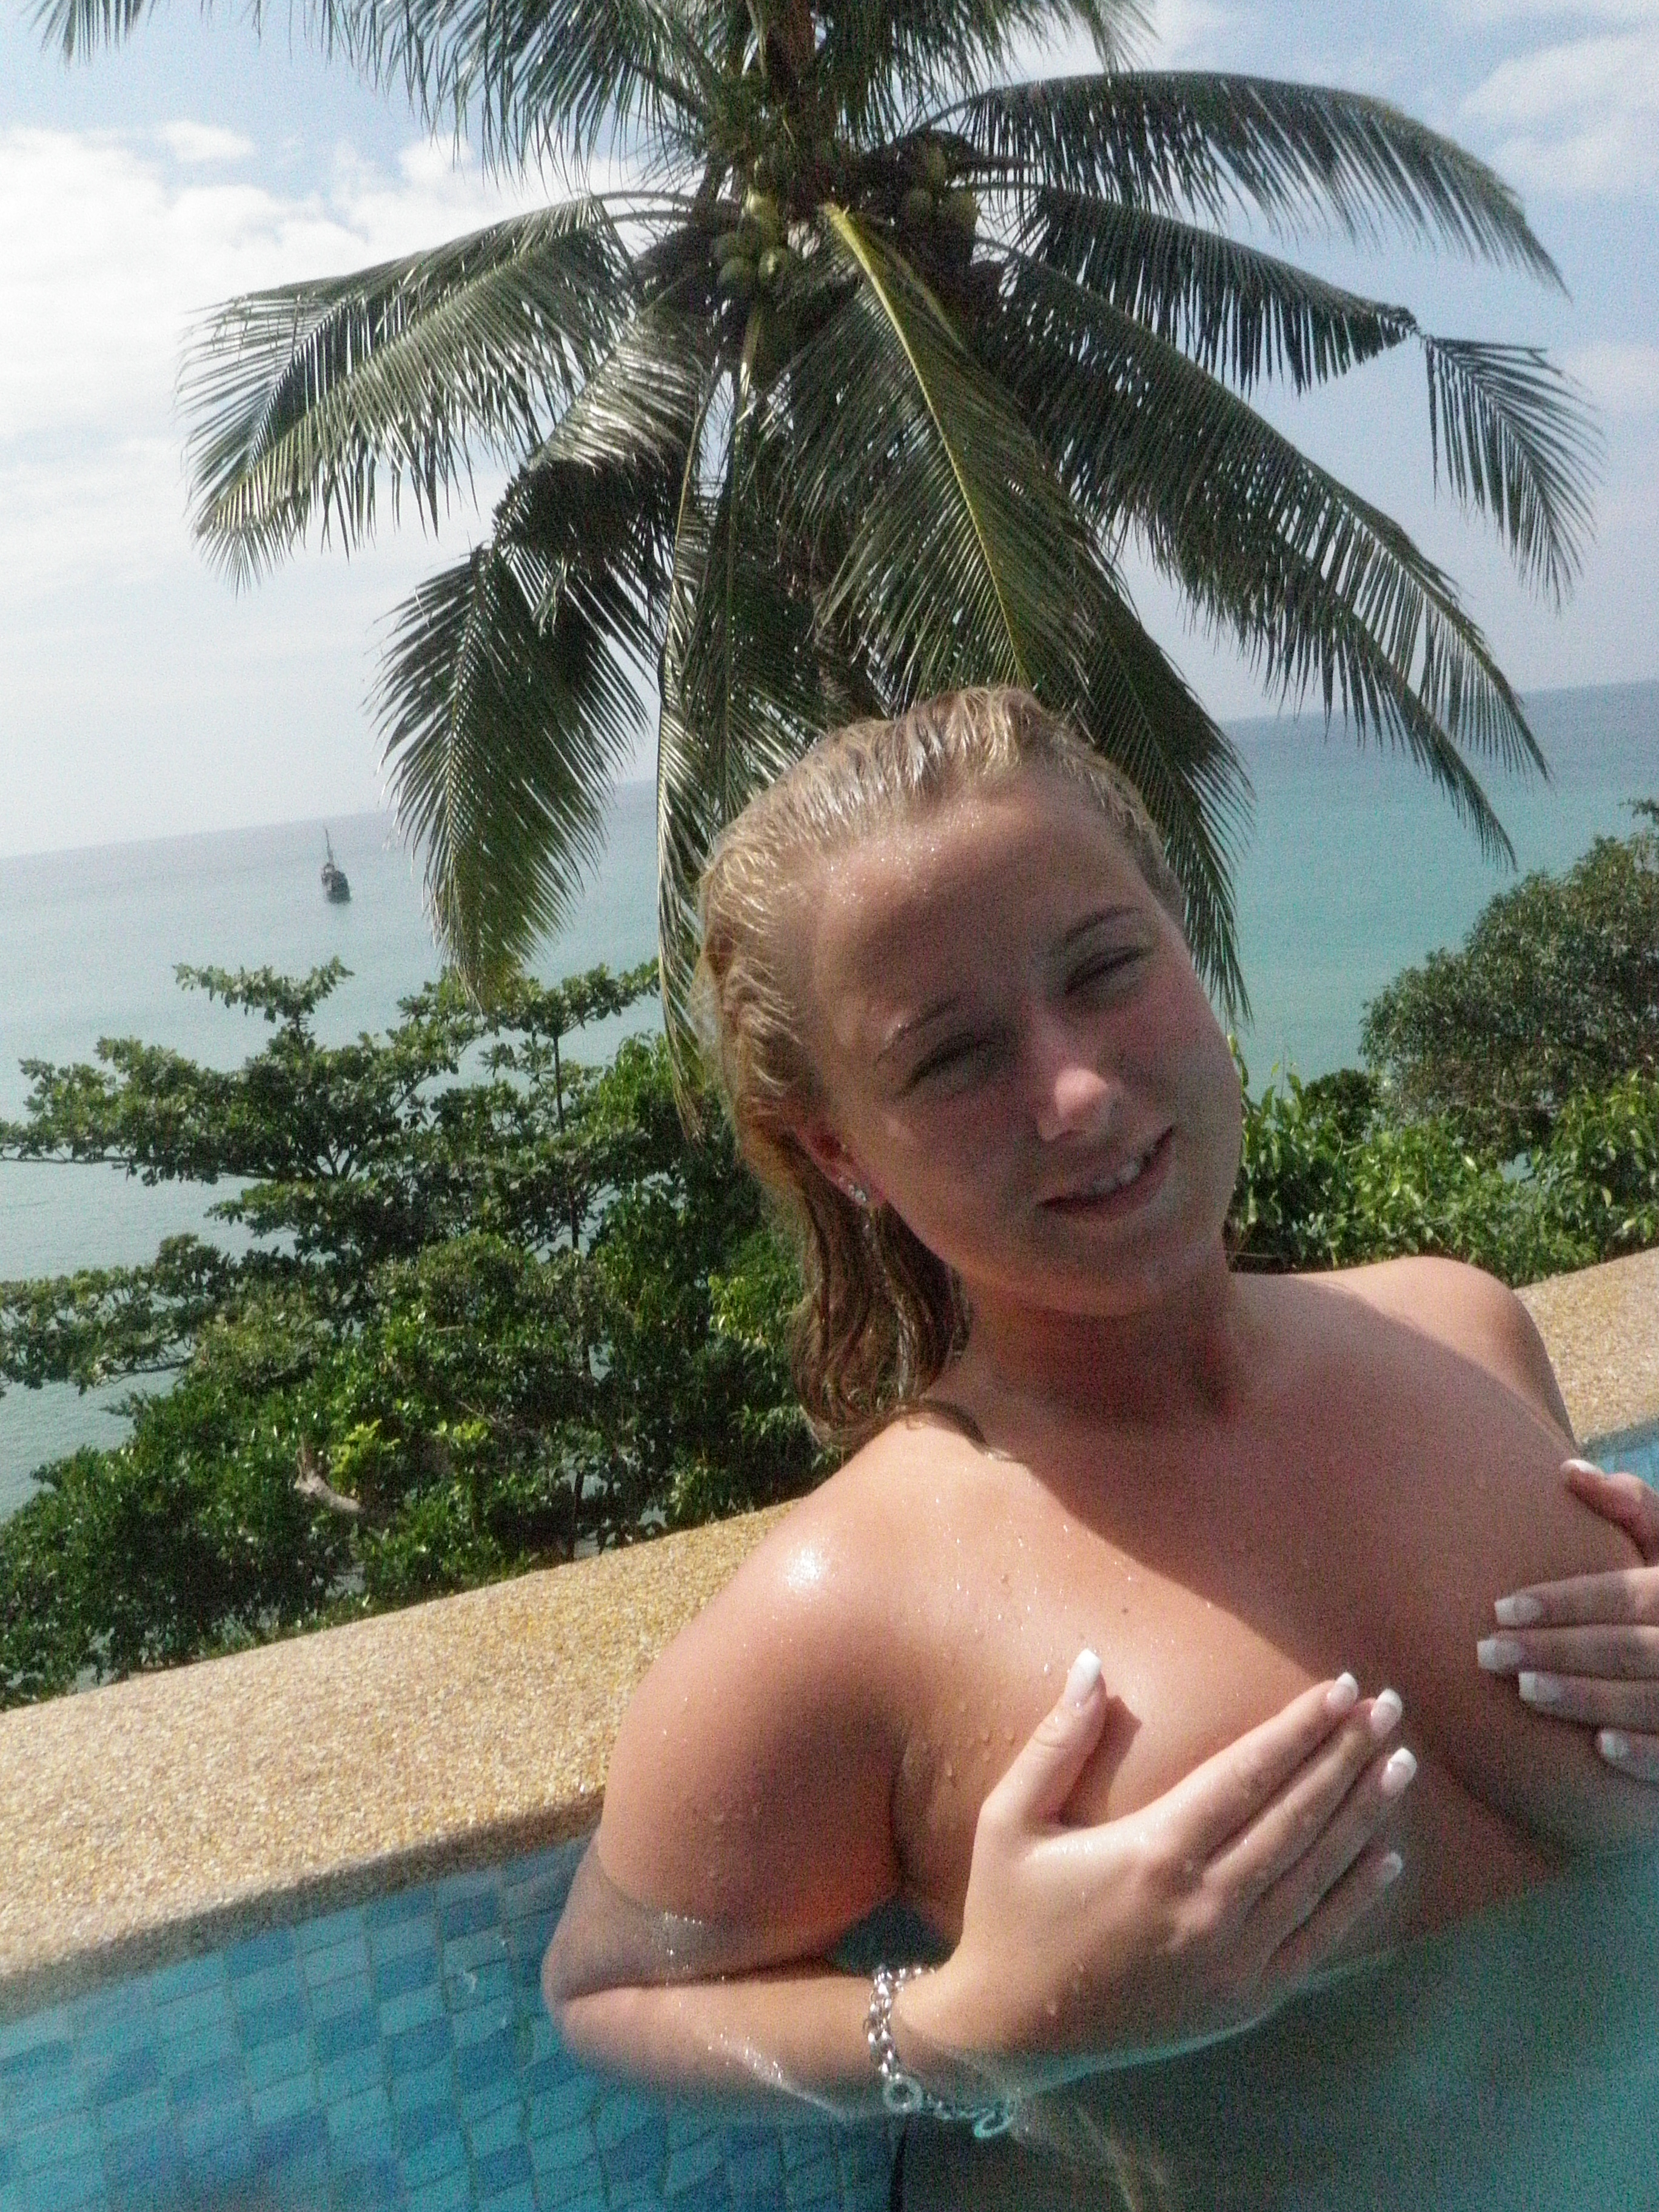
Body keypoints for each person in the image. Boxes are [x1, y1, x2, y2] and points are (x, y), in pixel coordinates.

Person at [545, 689, 1659, 2205]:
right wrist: (964, 2030)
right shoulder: (854, 1604)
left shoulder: (1464, 1331)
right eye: (952, 1058)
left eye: (1107, 968)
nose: (1075, 1092)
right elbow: (610, 1997)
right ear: (840, 1151)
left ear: (1184, 943)